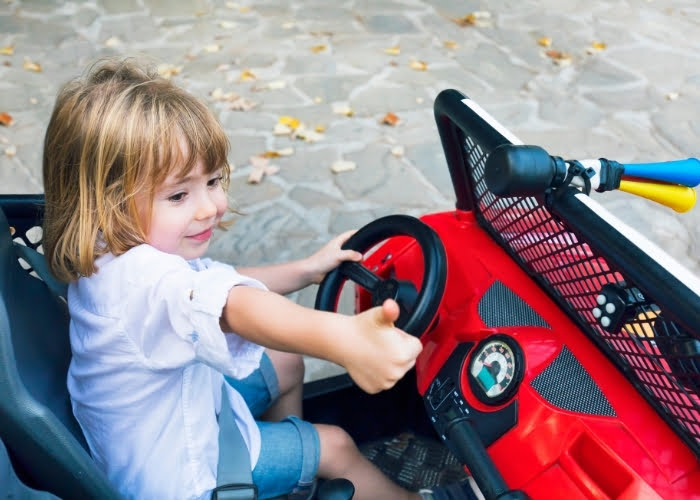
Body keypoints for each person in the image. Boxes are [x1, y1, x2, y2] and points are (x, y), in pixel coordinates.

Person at [41, 57, 467, 500]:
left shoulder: (113, 249)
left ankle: (286, 480)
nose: (210, 206)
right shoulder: (143, 281)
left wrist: (307, 268)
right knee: (335, 446)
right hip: (184, 477)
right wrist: (342, 338)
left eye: (212, 181)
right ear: (108, 201)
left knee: (284, 361)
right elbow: (233, 306)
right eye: (180, 194)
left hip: (169, 422)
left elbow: (220, 282)